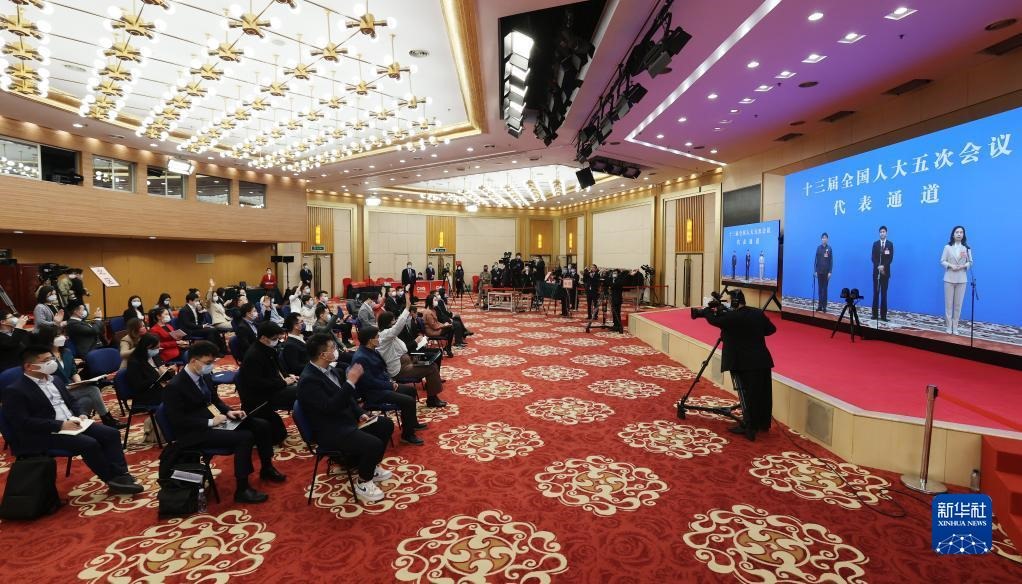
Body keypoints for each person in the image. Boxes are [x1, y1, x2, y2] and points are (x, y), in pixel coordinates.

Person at [2, 345, 142, 494]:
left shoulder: (55, 380)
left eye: (51, 358)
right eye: (45, 361)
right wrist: (61, 425)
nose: (51, 362)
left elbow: (71, 401)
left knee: (111, 434)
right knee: (89, 444)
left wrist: (81, 413)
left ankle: (121, 474)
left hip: (72, 422)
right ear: (29, 366)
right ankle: (111, 479)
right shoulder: (16, 390)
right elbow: (22, 422)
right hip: (46, 432)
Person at [162, 341, 285, 503]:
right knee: (245, 437)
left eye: (213, 362)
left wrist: (228, 411)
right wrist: (210, 422)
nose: (211, 366)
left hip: (215, 420)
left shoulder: (204, 375)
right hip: (194, 432)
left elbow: (214, 400)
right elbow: (178, 421)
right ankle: (242, 489)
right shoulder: (175, 386)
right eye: (208, 362)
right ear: (193, 361)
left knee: (261, 425)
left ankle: (267, 468)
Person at [296, 335, 395, 503]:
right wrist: (350, 382)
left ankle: (371, 466)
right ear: (323, 355)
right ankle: (363, 483)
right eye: (332, 348)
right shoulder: (309, 381)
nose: (336, 351)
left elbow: (348, 399)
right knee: (373, 444)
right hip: (330, 430)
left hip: (345, 420)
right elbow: (330, 407)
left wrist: (359, 413)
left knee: (385, 425)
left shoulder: (331, 369)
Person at [705, 290, 776, 441]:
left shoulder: (732, 317)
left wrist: (706, 312)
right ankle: (763, 424)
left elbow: (714, 321)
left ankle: (749, 426)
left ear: (735, 302)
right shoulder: (757, 313)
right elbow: (771, 330)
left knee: (749, 395)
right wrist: (754, 332)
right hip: (763, 360)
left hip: (745, 363)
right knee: (763, 394)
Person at [35, 325, 126, 429]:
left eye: (61, 334)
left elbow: (74, 372)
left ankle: (82, 422)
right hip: (56, 392)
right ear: (48, 338)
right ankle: (108, 420)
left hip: (71, 387)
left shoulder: (66, 352)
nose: (62, 337)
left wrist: (79, 383)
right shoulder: (44, 357)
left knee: (88, 399)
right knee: (93, 390)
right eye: (57, 335)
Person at [351, 326, 425, 445]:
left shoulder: (371, 350)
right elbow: (368, 382)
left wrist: (391, 383)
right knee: (408, 401)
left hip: (382, 386)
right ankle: (407, 435)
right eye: (377, 337)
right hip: (373, 393)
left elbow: (382, 371)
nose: (379, 339)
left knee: (411, 391)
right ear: (370, 340)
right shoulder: (361, 358)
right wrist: (389, 385)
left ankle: (411, 423)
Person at [377, 298, 447, 408]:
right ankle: (432, 399)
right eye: (393, 320)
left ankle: (433, 397)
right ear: (388, 322)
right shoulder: (385, 335)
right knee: (432, 368)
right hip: (400, 369)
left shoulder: (388, 335)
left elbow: (403, 347)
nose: (395, 322)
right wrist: (406, 309)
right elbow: (398, 326)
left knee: (431, 362)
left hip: (408, 361)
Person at [236, 322, 296, 444]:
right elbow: (257, 383)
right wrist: (283, 383)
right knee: (301, 392)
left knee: (303, 388)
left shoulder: (268, 349)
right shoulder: (253, 355)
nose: (277, 341)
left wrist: (288, 376)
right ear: (263, 338)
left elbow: (278, 368)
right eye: (274, 339)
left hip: (273, 388)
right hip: (260, 396)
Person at [124, 333, 172, 407]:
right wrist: (157, 378)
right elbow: (138, 386)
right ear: (146, 347)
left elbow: (161, 368)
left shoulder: (154, 356)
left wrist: (168, 371)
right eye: (155, 348)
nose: (157, 350)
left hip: (158, 388)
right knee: (175, 397)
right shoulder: (134, 362)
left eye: (158, 348)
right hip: (145, 394)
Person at [941, 225, 973, 335]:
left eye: (961, 232)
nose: (959, 234)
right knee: (949, 304)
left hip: (962, 279)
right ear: (953, 234)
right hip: (949, 278)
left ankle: (955, 327)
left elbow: (971, 262)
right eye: (957, 232)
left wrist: (964, 266)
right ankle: (948, 326)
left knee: (958, 305)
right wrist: (950, 265)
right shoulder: (947, 247)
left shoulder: (967, 248)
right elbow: (942, 261)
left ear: (963, 235)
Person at [871, 225, 894, 322]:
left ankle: (883, 315)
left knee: (884, 294)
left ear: (886, 233)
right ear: (879, 233)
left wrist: (883, 266)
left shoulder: (890, 244)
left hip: (885, 273)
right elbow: (873, 257)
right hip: (876, 273)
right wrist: (878, 266)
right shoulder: (875, 244)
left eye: (884, 232)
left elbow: (890, 258)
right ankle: (874, 314)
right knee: (876, 293)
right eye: (881, 232)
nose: (882, 233)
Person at [814, 233, 833, 312]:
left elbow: (831, 261)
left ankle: (824, 307)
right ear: (821, 239)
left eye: (825, 238)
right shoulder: (818, 248)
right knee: (819, 289)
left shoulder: (829, 248)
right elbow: (816, 261)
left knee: (824, 290)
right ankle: (819, 306)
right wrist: (815, 271)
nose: (824, 239)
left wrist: (830, 272)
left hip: (826, 273)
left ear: (827, 239)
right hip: (819, 272)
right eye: (823, 238)